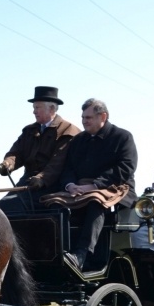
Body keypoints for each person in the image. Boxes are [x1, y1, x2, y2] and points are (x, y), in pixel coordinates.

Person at [57, 98, 138, 269]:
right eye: (83, 118)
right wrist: (70, 185)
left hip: (116, 189)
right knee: (54, 204)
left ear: (103, 116)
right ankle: (58, 254)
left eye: (88, 118)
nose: (84, 121)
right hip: (79, 190)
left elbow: (125, 168)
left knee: (96, 202)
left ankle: (82, 254)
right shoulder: (78, 141)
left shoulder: (122, 137)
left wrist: (95, 186)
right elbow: (68, 168)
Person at [0, 86, 81, 215]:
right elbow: (16, 152)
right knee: (3, 205)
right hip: (28, 182)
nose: (34, 112)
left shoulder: (68, 131)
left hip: (54, 185)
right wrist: (8, 163)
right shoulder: (29, 131)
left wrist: (42, 178)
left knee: (13, 204)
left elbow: (57, 163)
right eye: (34, 108)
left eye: (37, 108)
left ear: (52, 108)